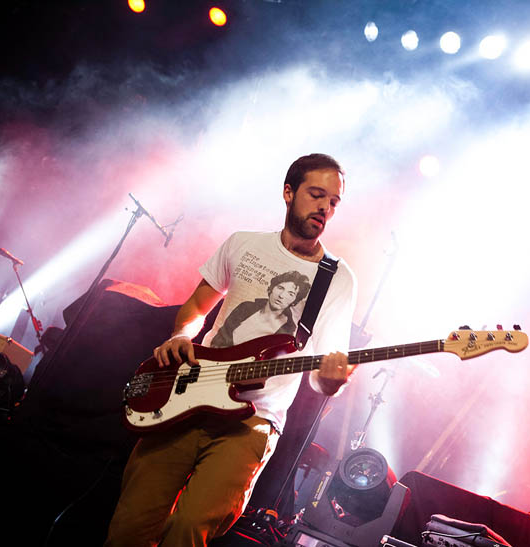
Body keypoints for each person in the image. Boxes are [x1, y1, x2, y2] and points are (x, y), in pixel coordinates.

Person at [105, 153, 357, 547]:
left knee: (189, 527)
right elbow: (195, 308)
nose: (325, 207)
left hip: (252, 421)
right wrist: (181, 336)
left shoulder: (338, 279)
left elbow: (323, 375)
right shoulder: (243, 244)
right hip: (186, 397)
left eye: (334, 202)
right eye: (316, 194)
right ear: (288, 193)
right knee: (130, 526)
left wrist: (332, 382)